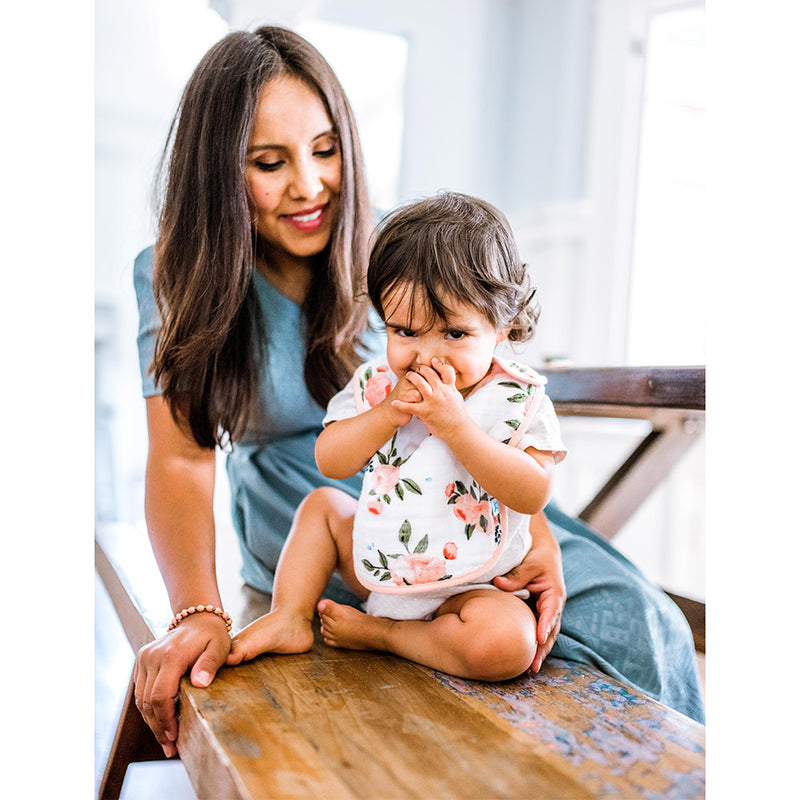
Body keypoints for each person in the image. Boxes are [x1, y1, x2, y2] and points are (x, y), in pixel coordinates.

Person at [132, 26, 703, 760]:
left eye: (326, 150)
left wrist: (541, 538)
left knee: (635, 615)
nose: (309, 185)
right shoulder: (172, 272)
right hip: (325, 508)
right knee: (533, 664)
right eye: (269, 163)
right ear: (217, 172)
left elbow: (498, 412)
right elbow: (179, 460)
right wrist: (197, 610)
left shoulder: (393, 247)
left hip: (476, 490)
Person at [226, 192, 568, 681]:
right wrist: (385, 414)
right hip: (385, 560)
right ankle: (289, 616)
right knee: (322, 506)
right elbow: (330, 460)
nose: (427, 355)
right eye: (405, 331)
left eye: (453, 334)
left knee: (507, 644)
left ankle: (388, 636)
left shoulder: (517, 398)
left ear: (504, 328)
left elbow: (532, 491)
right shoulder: (379, 384)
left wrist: (458, 428)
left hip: (473, 586)